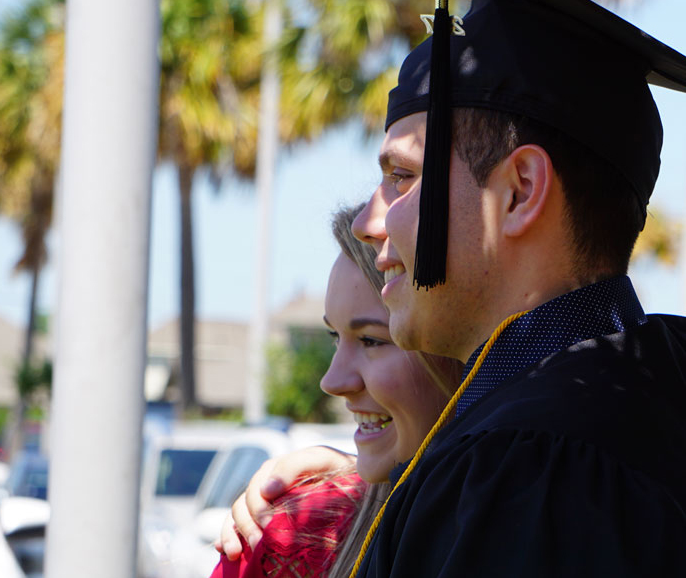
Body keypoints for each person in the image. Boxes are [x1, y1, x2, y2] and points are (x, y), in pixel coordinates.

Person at [226, 0, 686, 576]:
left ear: (519, 190)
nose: (371, 221)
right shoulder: (645, 398)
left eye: (402, 177)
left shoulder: (529, 476)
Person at [210, 204, 461, 578]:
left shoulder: (550, 508)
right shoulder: (289, 532)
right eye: (334, 336)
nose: (332, 381)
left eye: (373, 340)